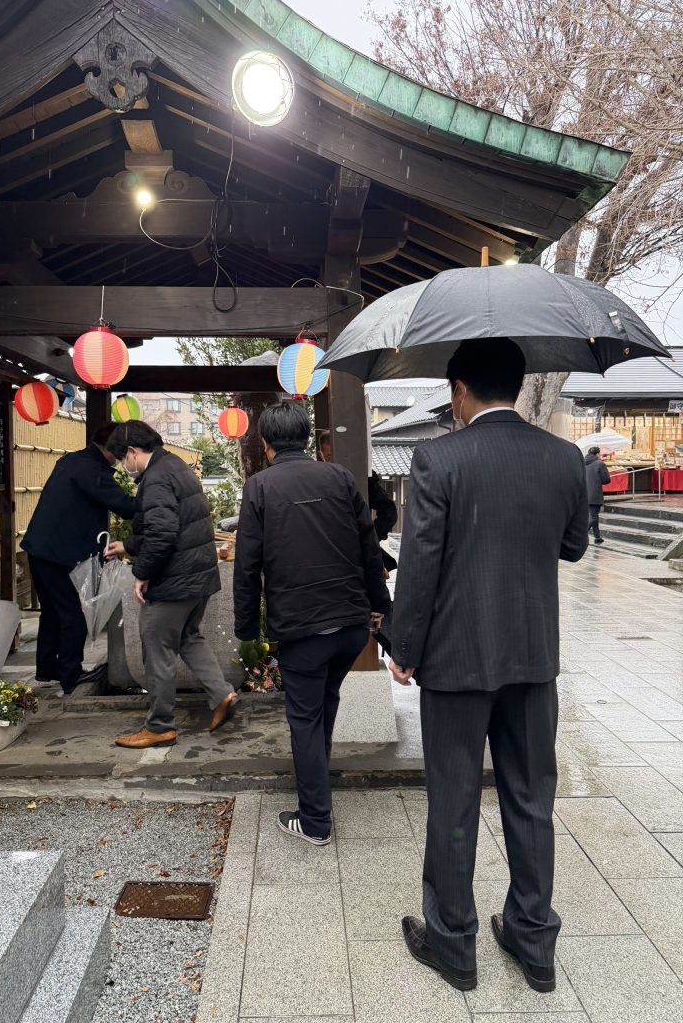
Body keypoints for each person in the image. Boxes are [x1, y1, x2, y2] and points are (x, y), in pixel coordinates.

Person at [390, 339, 588, 994]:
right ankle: (534, 941)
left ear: (459, 390)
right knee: (531, 799)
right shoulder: (562, 457)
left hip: (456, 659)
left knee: (453, 801)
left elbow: (419, 565)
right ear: (518, 384)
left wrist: (403, 648)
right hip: (532, 655)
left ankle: (453, 944)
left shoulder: (438, 457)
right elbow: (573, 545)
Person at [234, 403, 391, 845]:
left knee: (304, 718)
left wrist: (247, 631)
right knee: (324, 704)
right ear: (306, 439)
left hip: (301, 628)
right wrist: (381, 605)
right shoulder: (339, 478)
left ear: (265, 443)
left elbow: (247, 565)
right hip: (349, 625)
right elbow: (368, 547)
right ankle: (316, 786)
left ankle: (315, 820)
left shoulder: (260, 487)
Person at [105, 421, 238, 749]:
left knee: (157, 648)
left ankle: (159, 726)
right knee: (189, 637)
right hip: (199, 576)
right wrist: (128, 546)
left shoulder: (156, 478)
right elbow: (173, 526)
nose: (124, 465)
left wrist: (141, 573)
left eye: (123, 459)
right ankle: (222, 693)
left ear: (133, 451)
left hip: (174, 581)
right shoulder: (176, 466)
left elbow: (162, 534)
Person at [22, 423, 136, 696]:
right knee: (74, 614)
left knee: (52, 612)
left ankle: (48, 667)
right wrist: (156, 497)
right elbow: (125, 506)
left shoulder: (72, 460)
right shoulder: (92, 469)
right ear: (114, 449)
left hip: (41, 549)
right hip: (59, 554)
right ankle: (70, 675)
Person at [318, 429, 399, 572]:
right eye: (329, 456)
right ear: (321, 455)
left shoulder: (364, 477)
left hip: (360, 551)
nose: (334, 461)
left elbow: (389, 510)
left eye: (338, 455)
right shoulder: (317, 481)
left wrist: (370, 538)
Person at [584, 446, 611, 545]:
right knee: (594, 516)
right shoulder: (600, 463)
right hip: (595, 493)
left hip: (584, 493)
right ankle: (581, 535)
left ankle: (597, 537)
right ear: (597, 454)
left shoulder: (582, 462)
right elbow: (606, 480)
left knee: (592, 515)